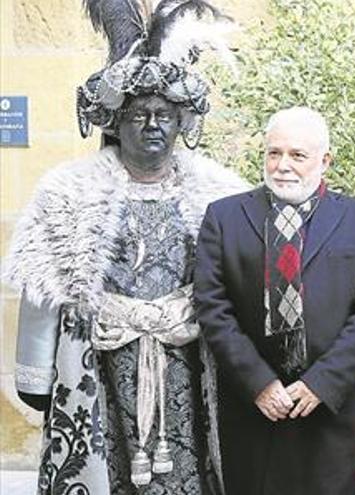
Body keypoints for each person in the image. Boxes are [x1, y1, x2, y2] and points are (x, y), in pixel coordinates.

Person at [1, 3, 244, 494]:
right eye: (138, 115)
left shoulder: (221, 195)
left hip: (187, 364)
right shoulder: (68, 192)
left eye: (163, 116)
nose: (152, 125)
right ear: (116, 122)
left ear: (181, 125)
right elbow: (44, 284)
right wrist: (34, 373)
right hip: (97, 365)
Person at [193, 106, 355, 495]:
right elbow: (213, 307)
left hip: (325, 409)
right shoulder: (224, 217)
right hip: (253, 407)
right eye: (274, 153)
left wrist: (321, 383)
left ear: (325, 160)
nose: (283, 165)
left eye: (297, 155)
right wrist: (258, 382)